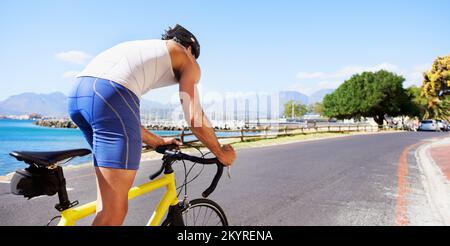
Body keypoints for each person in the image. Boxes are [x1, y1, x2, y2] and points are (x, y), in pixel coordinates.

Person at [67, 24, 236, 226]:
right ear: (190, 48)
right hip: (112, 94)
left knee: (106, 205)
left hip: (79, 94)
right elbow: (194, 116)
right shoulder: (186, 56)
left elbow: (121, 119)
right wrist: (221, 154)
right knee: (114, 212)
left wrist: (157, 141)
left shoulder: (144, 51)